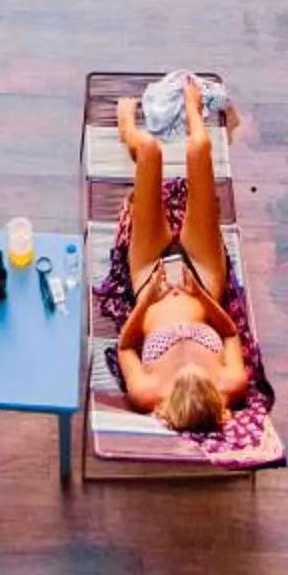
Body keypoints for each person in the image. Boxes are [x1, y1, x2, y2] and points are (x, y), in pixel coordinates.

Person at [113, 80, 253, 434]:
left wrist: (148, 298)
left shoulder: (147, 393)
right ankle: (193, 105)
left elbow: (127, 346)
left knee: (149, 149)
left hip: (149, 279)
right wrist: (200, 293)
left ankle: (125, 126)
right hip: (202, 277)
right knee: (200, 148)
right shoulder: (231, 383)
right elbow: (231, 333)